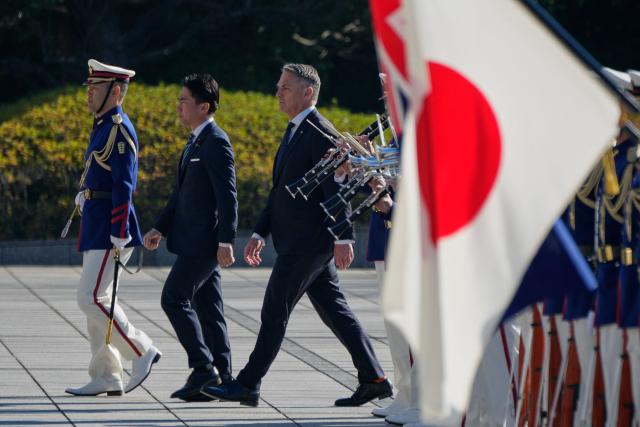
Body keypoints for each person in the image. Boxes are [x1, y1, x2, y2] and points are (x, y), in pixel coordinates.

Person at [202, 63, 391, 406]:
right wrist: (261, 231)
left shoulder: (321, 131)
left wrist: (343, 238)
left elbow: (339, 188)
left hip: (309, 242)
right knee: (335, 310)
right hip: (299, 240)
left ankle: (248, 383)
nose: (277, 93)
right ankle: (374, 378)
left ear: (307, 93)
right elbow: (280, 191)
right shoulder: (295, 130)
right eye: (278, 86)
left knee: (274, 309)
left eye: (285, 88)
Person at [65, 59, 161, 397]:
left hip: (111, 226)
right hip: (96, 220)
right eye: (89, 87)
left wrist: (120, 229)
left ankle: (141, 349)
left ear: (116, 91)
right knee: (97, 303)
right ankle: (107, 374)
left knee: (90, 298)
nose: (89, 94)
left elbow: (124, 183)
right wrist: (85, 194)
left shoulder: (119, 127)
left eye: (96, 88)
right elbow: (100, 172)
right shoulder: (103, 124)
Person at [143, 73, 237, 402]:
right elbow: (181, 194)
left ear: (204, 106)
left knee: (173, 299)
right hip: (192, 240)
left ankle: (202, 367)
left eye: (184, 101)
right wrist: (159, 227)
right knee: (209, 309)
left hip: (204, 243)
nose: (179, 107)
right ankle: (220, 378)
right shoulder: (195, 140)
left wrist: (227, 240)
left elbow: (228, 196)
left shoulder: (216, 141)